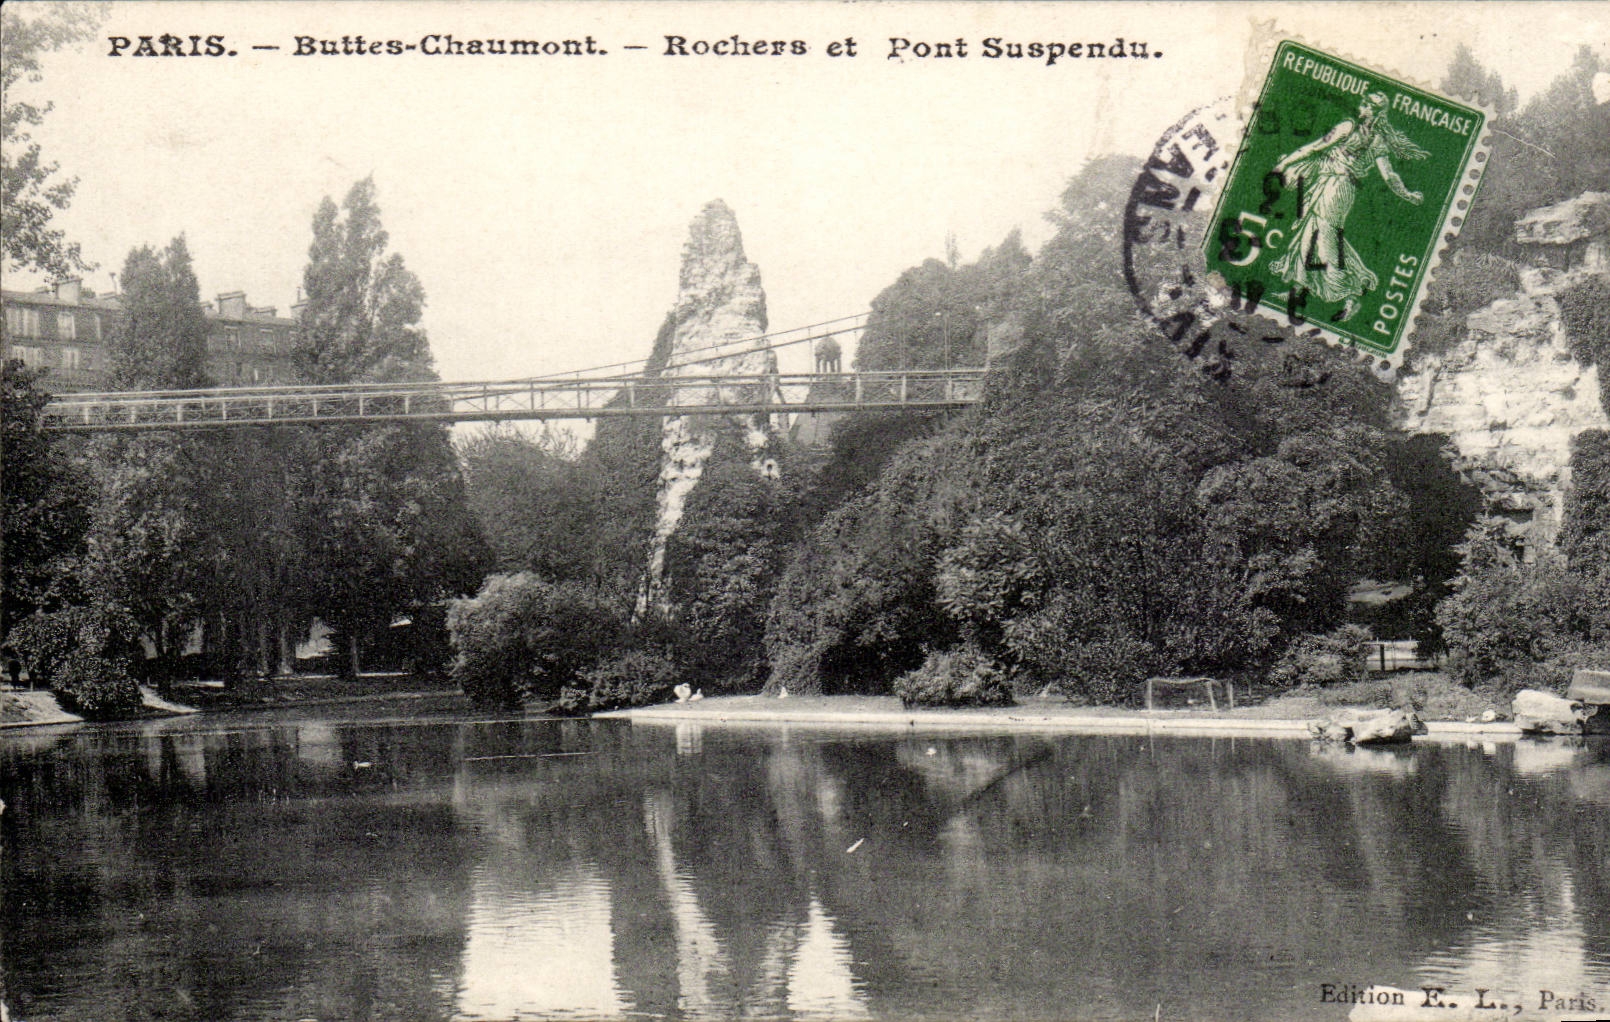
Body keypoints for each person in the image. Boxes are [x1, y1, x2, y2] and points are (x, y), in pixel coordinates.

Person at [1268, 90, 1428, 322]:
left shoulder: (1359, 132)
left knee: (1326, 238)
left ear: (1373, 111)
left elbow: (1316, 148)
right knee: (1314, 233)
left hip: (1337, 187)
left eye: (1365, 104)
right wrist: (1407, 194)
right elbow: (1389, 175)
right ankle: (1299, 290)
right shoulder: (1369, 136)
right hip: (1335, 184)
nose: (1360, 107)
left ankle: (1350, 295)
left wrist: (1284, 163)